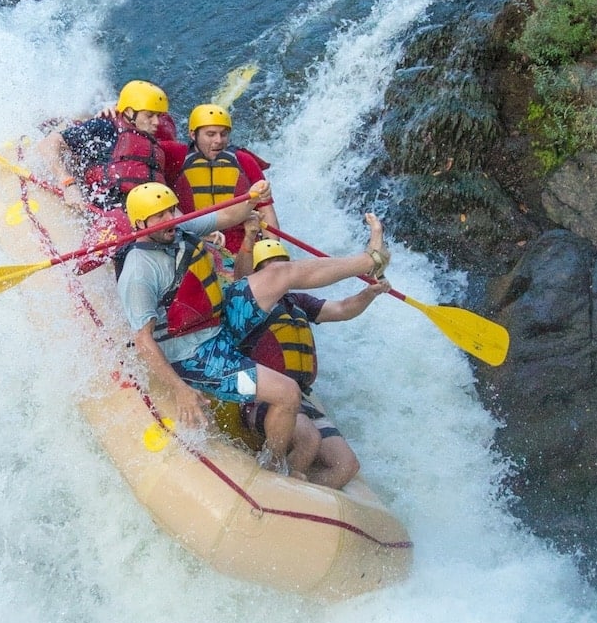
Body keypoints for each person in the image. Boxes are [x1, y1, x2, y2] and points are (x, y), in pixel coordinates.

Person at [117, 181, 391, 479]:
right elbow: (143, 340)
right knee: (288, 393)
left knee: (279, 273)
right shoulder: (139, 271)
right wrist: (180, 389)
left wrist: (253, 198)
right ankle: (273, 463)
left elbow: (227, 216)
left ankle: (370, 259)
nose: (169, 218)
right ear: (141, 223)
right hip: (193, 354)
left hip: (219, 318)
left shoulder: (181, 227)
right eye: (159, 216)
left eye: (171, 210)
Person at [234, 232, 388, 489]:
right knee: (309, 440)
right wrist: (248, 239)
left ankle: (298, 492)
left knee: (346, 466)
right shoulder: (249, 305)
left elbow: (342, 309)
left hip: (300, 397)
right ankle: (276, 486)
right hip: (263, 394)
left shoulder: (298, 302)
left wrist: (369, 294)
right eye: (271, 267)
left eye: (284, 264)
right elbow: (241, 279)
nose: (281, 271)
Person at [35, 79, 187, 213]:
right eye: (149, 115)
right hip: (110, 211)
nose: (156, 122)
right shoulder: (105, 127)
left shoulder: (152, 145)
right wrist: (68, 184)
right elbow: (47, 145)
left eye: (158, 116)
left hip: (146, 214)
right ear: (129, 112)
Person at [173, 103, 276, 257]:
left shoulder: (244, 160)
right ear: (193, 135)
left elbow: (267, 213)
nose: (218, 140)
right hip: (196, 247)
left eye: (223, 134)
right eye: (211, 134)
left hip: (241, 249)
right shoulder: (176, 160)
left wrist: (273, 252)